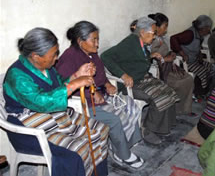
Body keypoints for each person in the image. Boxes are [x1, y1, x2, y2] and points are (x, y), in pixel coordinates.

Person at [3, 27, 109, 176]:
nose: (56, 58)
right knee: (76, 151)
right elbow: (40, 102)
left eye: (56, 53)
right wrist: (73, 85)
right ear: (36, 56)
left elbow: (59, 86)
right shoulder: (17, 75)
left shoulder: (47, 67)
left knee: (101, 130)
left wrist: (77, 75)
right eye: (53, 55)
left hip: (53, 114)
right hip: (28, 126)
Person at [56, 21, 145, 168]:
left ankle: (124, 145)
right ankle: (122, 155)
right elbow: (65, 87)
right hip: (83, 104)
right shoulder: (69, 58)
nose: (97, 44)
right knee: (115, 119)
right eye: (94, 40)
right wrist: (94, 92)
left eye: (98, 39)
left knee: (130, 105)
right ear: (80, 41)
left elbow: (101, 76)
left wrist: (107, 84)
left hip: (101, 96)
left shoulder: (92, 54)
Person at [101, 16, 180, 145]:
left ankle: (163, 127)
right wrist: (123, 75)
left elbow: (137, 58)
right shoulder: (130, 42)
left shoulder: (141, 42)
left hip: (142, 78)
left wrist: (151, 56)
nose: (154, 36)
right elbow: (105, 56)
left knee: (168, 91)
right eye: (153, 33)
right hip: (130, 84)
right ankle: (148, 130)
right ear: (142, 32)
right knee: (157, 97)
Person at [148, 13, 196, 116]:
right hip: (160, 72)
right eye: (164, 27)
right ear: (156, 26)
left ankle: (183, 109)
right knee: (182, 82)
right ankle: (177, 109)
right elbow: (150, 58)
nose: (165, 30)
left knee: (189, 78)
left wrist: (171, 54)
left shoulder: (161, 38)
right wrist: (166, 59)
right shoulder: (150, 40)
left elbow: (164, 52)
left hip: (168, 68)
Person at [170, 15, 215, 97]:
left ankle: (208, 89)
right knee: (203, 72)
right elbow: (173, 38)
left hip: (194, 60)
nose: (209, 30)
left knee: (211, 67)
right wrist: (183, 54)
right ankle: (199, 93)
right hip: (184, 62)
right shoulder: (190, 33)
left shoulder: (199, 34)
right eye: (209, 28)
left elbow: (197, 46)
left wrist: (200, 55)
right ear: (204, 28)